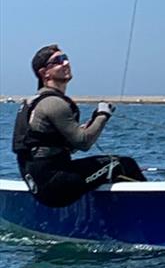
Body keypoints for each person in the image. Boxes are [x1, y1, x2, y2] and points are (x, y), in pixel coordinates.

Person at [12, 44, 146, 207]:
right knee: (122, 164)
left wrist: (88, 126)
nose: (66, 63)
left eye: (66, 58)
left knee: (106, 168)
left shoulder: (33, 102)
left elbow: (52, 145)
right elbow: (83, 143)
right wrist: (103, 114)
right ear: (44, 73)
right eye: (58, 61)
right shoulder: (54, 103)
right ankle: (153, 210)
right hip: (55, 185)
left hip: (38, 182)